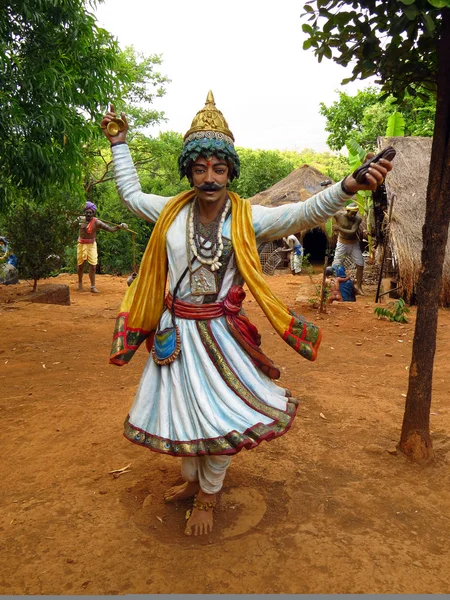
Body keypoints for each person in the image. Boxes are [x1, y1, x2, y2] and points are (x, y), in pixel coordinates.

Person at [101, 92, 392, 537]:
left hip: (219, 334)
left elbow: (302, 211)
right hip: (174, 334)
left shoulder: (247, 217)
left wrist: (348, 186)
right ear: (189, 171)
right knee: (182, 410)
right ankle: (192, 481)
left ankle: (208, 496)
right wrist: (119, 143)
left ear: (230, 171)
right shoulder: (169, 212)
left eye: (219, 169)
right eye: (200, 169)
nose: (210, 178)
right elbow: (129, 194)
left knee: (221, 414)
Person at [73, 202, 128, 293]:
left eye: (91, 212)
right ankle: (80, 283)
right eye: (87, 212)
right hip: (81, 244)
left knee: (93, 265)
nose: (89, 214)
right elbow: (70, 226)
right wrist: (74, 221)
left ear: (93, 213)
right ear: (84, 212)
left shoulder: (97, 222)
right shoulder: (80, 220)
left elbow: (110, 229)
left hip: (91, 245)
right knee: (80, 265)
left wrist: (120, 226)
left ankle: (93, 286)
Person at [332, 202, 365, 295]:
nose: (354, 215)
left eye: (355, 213)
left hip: (354, 243)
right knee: (336, 265)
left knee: (360, 264)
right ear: (347, 211)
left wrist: (338, 228)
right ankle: (334, 286)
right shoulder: (338, 215)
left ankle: (358, 287)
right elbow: (327, 213)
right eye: (352, 213)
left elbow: (352, 231)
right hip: (342, 243)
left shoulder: (357, 219)